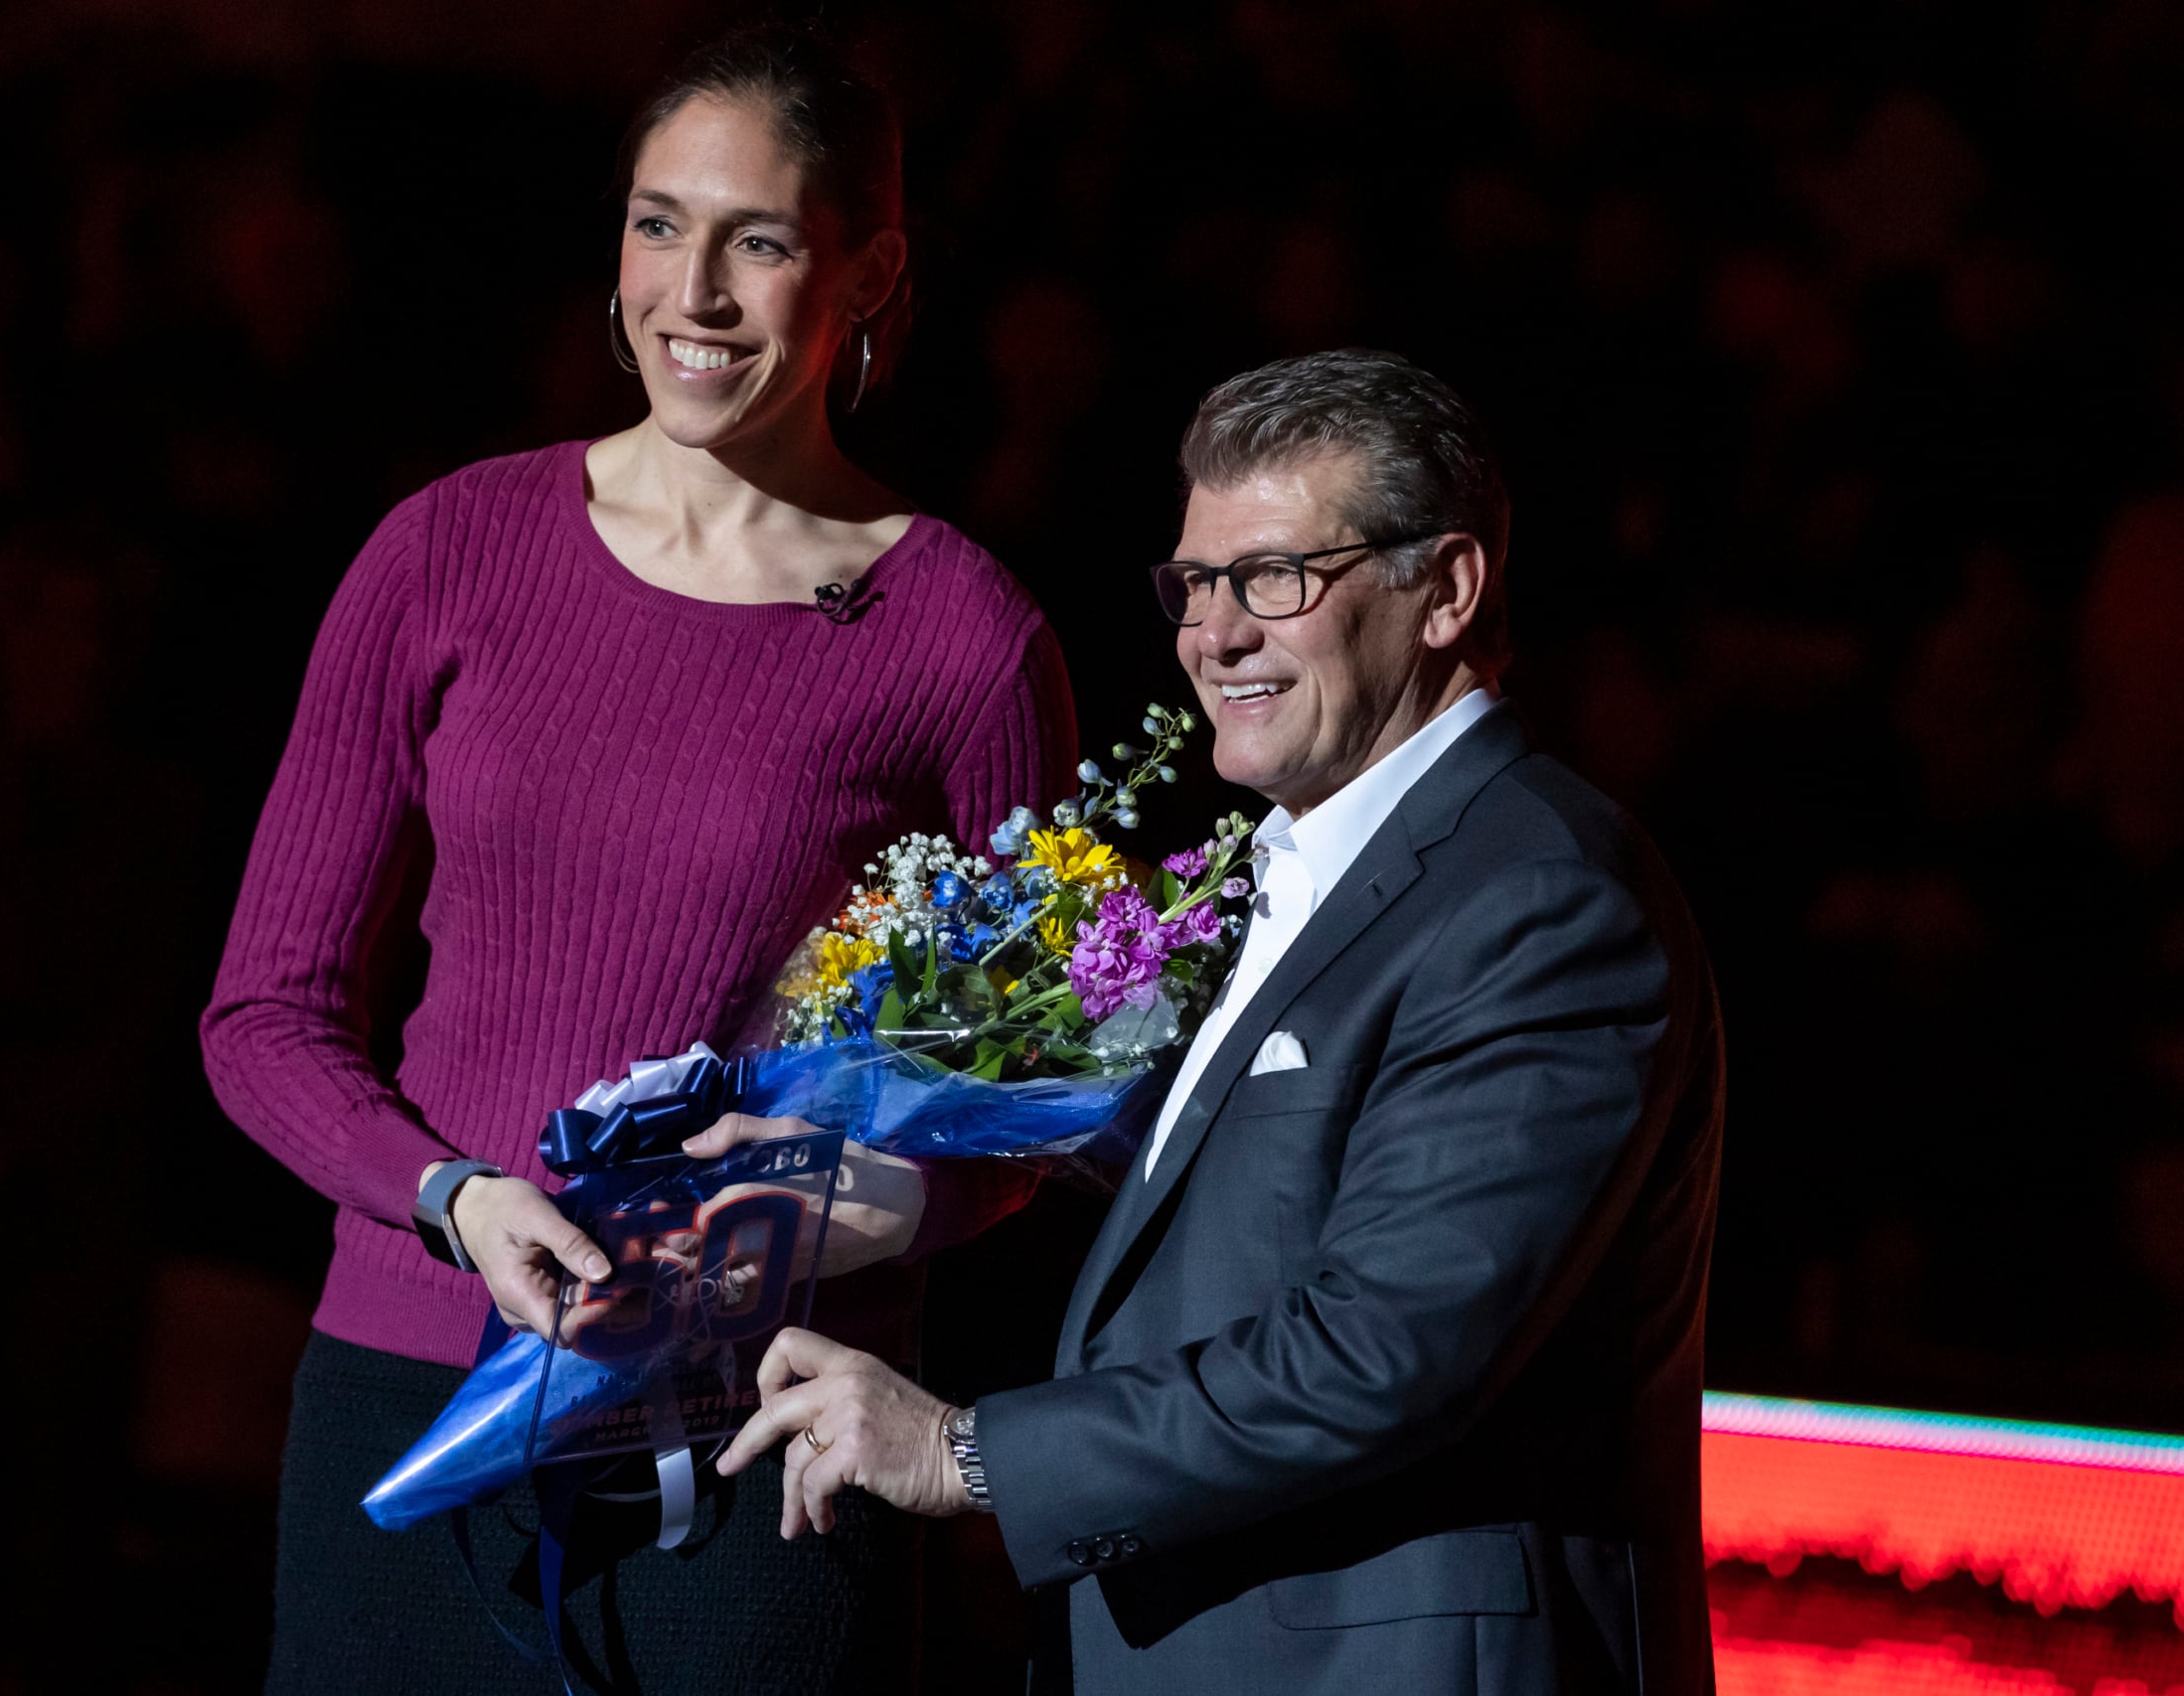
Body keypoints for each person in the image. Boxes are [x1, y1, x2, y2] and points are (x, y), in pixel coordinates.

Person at [200, 23, 1074, 1694]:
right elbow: (263, 1016)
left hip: (763, 1447)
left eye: (759, 239)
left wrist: (822, 1213)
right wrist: (453, 1201)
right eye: (659, 224)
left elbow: (1021, 1112)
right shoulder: (447, 549)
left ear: (871, 269)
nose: (696, 291)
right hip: (411, 1399)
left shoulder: (962, 633)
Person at [715, 349, 1728, 1694]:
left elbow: (1383, 1352)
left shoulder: (1541, 900)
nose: (1215, 633)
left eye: (1274, 579)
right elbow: (1235, 1206)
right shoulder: (1282, 866)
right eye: (1195, 582)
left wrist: (965, 1453)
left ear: (1447, 591)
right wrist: (870, 1173)